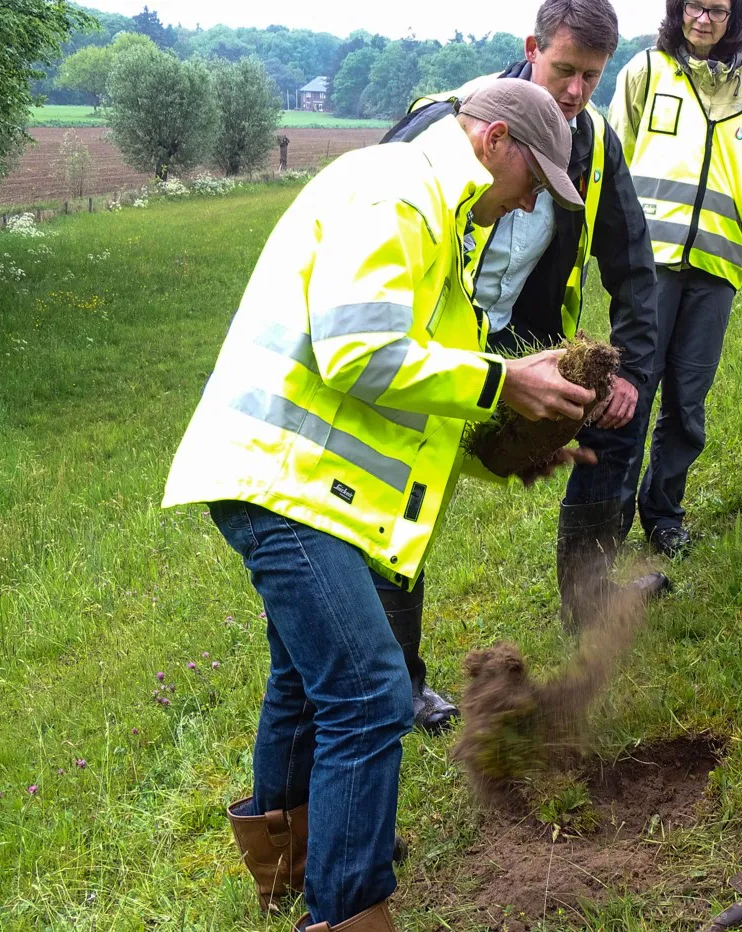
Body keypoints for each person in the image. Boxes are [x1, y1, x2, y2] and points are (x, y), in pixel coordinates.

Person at [161, 79, 597, 932]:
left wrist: (503, 455)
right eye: (534, 182)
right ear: (494, 140)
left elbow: (409, 396)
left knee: (305, 680)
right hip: (280, 477)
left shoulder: (430, 212)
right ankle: (349, 908)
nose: (529, 205)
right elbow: (358, 352)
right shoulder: (399, 188)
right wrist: (503, 380)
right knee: (369, 694)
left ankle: (289, 863)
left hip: (291, 479)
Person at [381, 0, 670, 720]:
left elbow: (633, 265)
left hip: (524, 340)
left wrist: (629, 371)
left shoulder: (595, 142)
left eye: (591, 78)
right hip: (438, 337)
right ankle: (403, 682)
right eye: (564, 69)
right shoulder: (449, 118)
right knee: (406, 495)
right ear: (531, 47)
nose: (574, 92)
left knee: (617, 412)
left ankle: (590, 599)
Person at [606, 0, 742, 557]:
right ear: (678, 10)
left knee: (688, 401)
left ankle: (664, 513)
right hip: (649, 264)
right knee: (634, 389)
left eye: (718, 10)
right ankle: (610, 514)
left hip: (717, 266)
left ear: (734, 17)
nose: (704, 19)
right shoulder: (645, 71)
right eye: (695, 6)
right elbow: (612, 161)